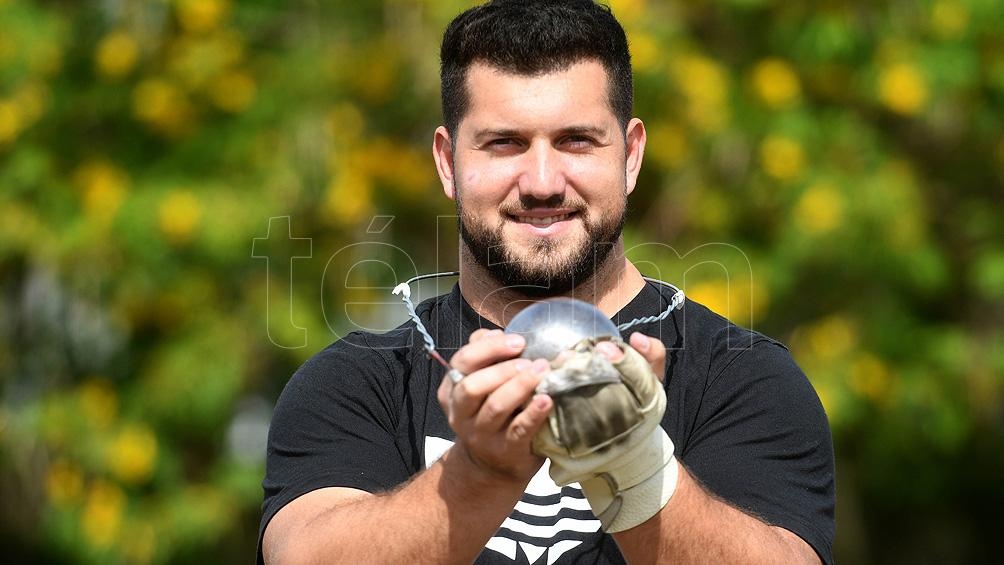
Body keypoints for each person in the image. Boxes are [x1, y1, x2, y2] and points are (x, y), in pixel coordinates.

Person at [259, 0, 835, 563]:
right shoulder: (358, 381)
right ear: (447, 162)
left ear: (631, 156)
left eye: (576, 141)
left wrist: (632, 460)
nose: (540, 182)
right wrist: (481, 474)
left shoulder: (742, 375)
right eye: (504, 143)